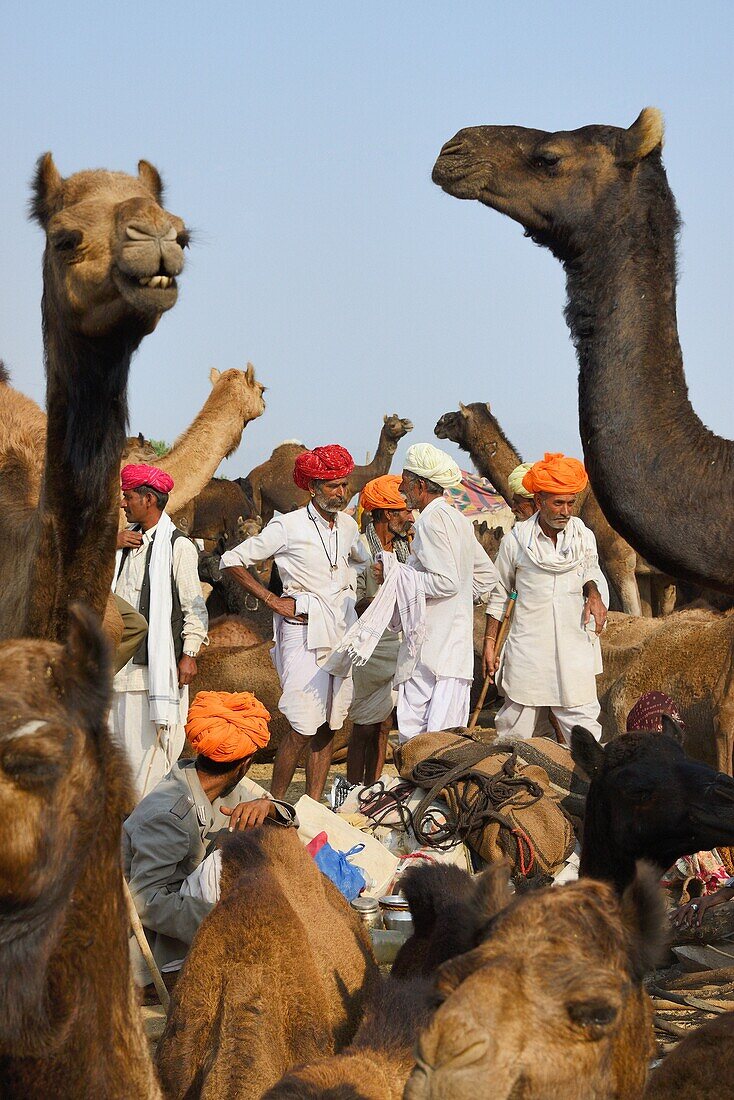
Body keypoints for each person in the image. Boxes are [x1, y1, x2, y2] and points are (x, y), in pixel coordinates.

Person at [220, 445, 369, 800]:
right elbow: (232, 559)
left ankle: (312, 806)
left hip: (339, 634)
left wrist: (349, 585)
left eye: (344, 485)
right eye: (333, 486)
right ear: (313, 487)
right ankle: (275, 803)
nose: (341, 493)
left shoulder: (348, 525)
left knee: (330, 726)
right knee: (302, 727)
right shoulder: (286, 526)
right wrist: (272, 600)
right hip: (301, 632)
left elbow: (361, 561)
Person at [123, 690, 297, 978]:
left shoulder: (218, 785)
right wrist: (222, 919)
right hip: (144, 941)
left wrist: (269, 808)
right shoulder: (170, 815)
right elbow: (143, 900)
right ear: (245, 764)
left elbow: (286, 820)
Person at [483, 452, 608, 744]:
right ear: (539, 502)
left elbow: (591, 571)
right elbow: (499, 594)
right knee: (515, 736)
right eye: (558, 503)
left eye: (570, 503)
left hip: (573, 649)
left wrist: (593, 593)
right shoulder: (516, 541)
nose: (566, 511)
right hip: (529, 650)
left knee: (586, 738)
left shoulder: (582, 537)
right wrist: (490, 643)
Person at [380, 443, 499, 742]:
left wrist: (399, 577)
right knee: (445, 744)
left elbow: (446, 582)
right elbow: (486, 576)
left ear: (420, 485)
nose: (401, 488)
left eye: (405, 481)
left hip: (430, 653)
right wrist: (456, 605)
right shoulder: (457, 518)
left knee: (421, 745)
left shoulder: (431, 520)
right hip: (451, 652)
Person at [111, 464, 208, 801]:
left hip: (151, 672)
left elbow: (194, 605)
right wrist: (111, 544)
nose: (124, 504)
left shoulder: (178, 547)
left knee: (146, 761)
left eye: (128, 496)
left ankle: (146, 831)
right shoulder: (122, 542)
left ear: (148, 499)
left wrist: (189, 654)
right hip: (116, 669)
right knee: (116, 760)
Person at [347, 474, 413, 784]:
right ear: (387, 513)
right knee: (363, 725)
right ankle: (352, 789)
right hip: (368, 645)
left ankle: (371, 789)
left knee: (386, 723)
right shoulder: (359, 547)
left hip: (398, 642)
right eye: (403, 510)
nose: (409, 516)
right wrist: (380, 600)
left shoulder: (408, 547)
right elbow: (353, 598)